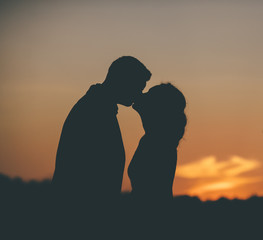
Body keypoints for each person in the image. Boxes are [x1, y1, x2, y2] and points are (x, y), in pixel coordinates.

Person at [51, 56, 151, 200]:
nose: (139, 94)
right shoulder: (94, 110)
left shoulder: (99, 107)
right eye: (138, 87)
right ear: (124, 80)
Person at [128, 83, 187, 205]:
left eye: (149, 94)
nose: (142, 95)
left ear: (157, 108)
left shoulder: (156, 143)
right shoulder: (155, 139)